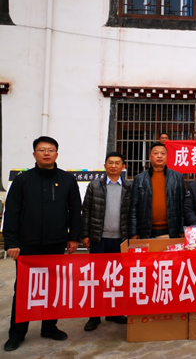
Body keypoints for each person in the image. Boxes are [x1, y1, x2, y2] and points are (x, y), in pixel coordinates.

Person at [3, 136, 82, 352]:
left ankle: (49, 327)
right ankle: (17, 333)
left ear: (57, 154)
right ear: (34, 154)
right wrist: (11, 241)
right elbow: (12, 212)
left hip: (56, 243)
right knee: (24, 289)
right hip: (27, 245)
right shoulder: (22, 180)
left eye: (51, 150)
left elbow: (75, 210)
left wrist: (73, 237)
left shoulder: (67, 179)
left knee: (53, 287)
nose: (46, 153)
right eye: (42, 150)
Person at [80, 152, 132, 331]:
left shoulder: (129, 187)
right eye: (110, 162)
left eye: (117, 163)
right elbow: (86, 210)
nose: (114, 166)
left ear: (123, 166)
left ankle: (114, 312)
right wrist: (85, 234)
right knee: (97, 278)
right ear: (105, 166)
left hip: (120, 240)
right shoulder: (95, 186)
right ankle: (94, 316)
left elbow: (132, 212)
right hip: (99, 239)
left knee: (116, 278)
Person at [129, 143, 185, 239]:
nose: (159, 156)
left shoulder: (177, 177)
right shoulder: (140, 179)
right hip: (146, 230)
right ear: (150, 156)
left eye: (163, 153)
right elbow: (134, 207)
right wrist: (134, 232)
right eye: (156, 153)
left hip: (171, 229)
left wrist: (182, 229)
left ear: (167, 156)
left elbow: (183, 205)